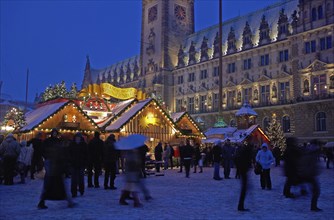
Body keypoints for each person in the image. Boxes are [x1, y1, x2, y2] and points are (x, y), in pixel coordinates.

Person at [37, 128, 75, 209]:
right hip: (52, 167)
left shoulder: (58, 143)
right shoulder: (49, 142)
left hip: (57, 167)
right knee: (49, 185)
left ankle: (69, 201)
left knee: (60, 185)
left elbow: (63, 157)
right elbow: (43, 151)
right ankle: (42, 201)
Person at [69, 132, 88, 197]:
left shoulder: (84, 145)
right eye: (77, 138)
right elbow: (69, 154)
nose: (77, 139)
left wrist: (85, 163)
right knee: (74, 179)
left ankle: (81, 190)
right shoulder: (72, 144)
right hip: (73, 164)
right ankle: (73, 192)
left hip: (81, 164)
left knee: (81, 179)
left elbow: (86, 155)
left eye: (79, 138)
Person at [236, 142, 253, 211]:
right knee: (244, 189)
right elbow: (245, 163)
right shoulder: (246, 154)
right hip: (243, 171)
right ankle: (240, 206)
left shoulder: (243, 153)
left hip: (243, 171)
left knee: (244, 188)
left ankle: (241, 205)